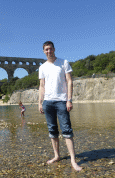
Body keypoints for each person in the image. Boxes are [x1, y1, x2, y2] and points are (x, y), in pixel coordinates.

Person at [38, 41, 82, 171]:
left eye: (50, 49)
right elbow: (41, 86)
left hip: (62, 101)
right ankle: (57, 156)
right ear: (43, 51)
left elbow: (69, 81)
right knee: (52, 130)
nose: (48, 51)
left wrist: (69, 99)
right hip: (48, 102)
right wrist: (40, 102)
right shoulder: (42, 67)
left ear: (54, 49)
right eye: (46, 49)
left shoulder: (64, 62)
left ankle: (73, 160)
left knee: (67, 130)